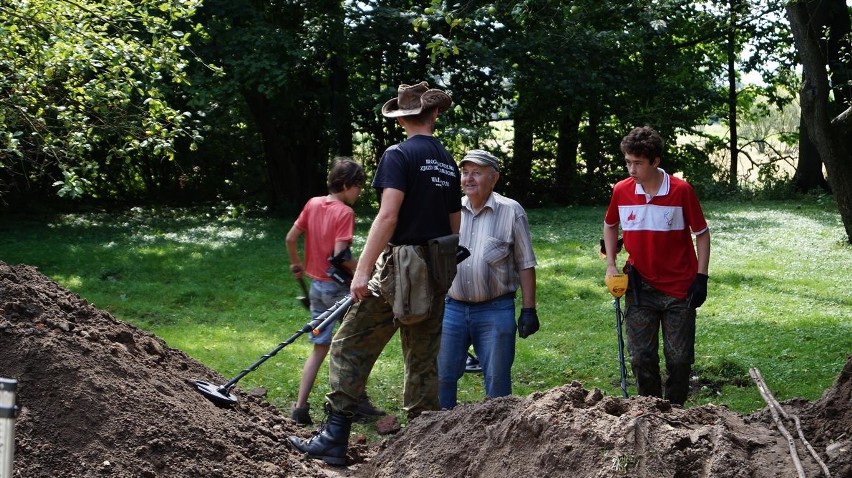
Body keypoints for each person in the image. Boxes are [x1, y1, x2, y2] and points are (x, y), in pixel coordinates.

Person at [287, 81, 461, 465]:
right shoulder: (447, 161)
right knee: (422, 358)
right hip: (436, 269)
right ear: (433, 115)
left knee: (349, 344)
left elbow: (388, 215)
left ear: (401, 119)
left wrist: (362, 270)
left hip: (399, 267)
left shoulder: (398, 155)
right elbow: (454, 224)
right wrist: (440, 271)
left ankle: (333, 439)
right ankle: (425, 452)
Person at [602, 125, 710, 406]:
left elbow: (702, 233)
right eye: (627, 162)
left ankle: (675, 410)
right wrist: (611, 264)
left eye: (637, 163)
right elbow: (610, 224)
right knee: (641, 357)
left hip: (680, 288)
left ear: (655, 162)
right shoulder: (621, 191)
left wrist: (702, 278)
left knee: (679, 358)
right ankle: (650, 410)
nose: (631, 169)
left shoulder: (681, 190)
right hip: (639, 287)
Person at [437, 149, 539, 409]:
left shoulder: (511, 211)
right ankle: (436, 434)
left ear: (494, 178)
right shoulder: (450, 210)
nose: (469, 179)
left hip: (496, 309)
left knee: (497, 380)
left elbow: (525, 263)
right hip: (452, 308)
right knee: (442, 375)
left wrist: (529, 309)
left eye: (477, 173)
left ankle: (497, 437)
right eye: (465, 172)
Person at [285, 157, 384, 426]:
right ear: (346, 185)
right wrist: (369, 269)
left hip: (316, 287)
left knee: (319, 348)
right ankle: (356, 402)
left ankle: (300, 408)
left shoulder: (313, 203)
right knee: (355, 344)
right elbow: (341, 257)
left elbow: (290, 238)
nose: (359, 192)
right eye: (358, 186)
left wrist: (296, 263)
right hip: (339, 289)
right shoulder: (344, 213)